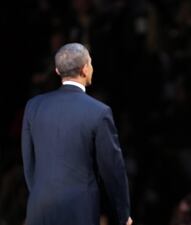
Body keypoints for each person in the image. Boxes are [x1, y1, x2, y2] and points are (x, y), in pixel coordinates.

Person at [21, 43, 133, 225]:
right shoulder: (99, 112)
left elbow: (29, 162)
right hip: (81, 210)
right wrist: (123, 214)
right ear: (85, 69)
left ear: (57, 71)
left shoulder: (34, 106)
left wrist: (39, 195)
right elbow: (112, 168)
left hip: (39, 208)